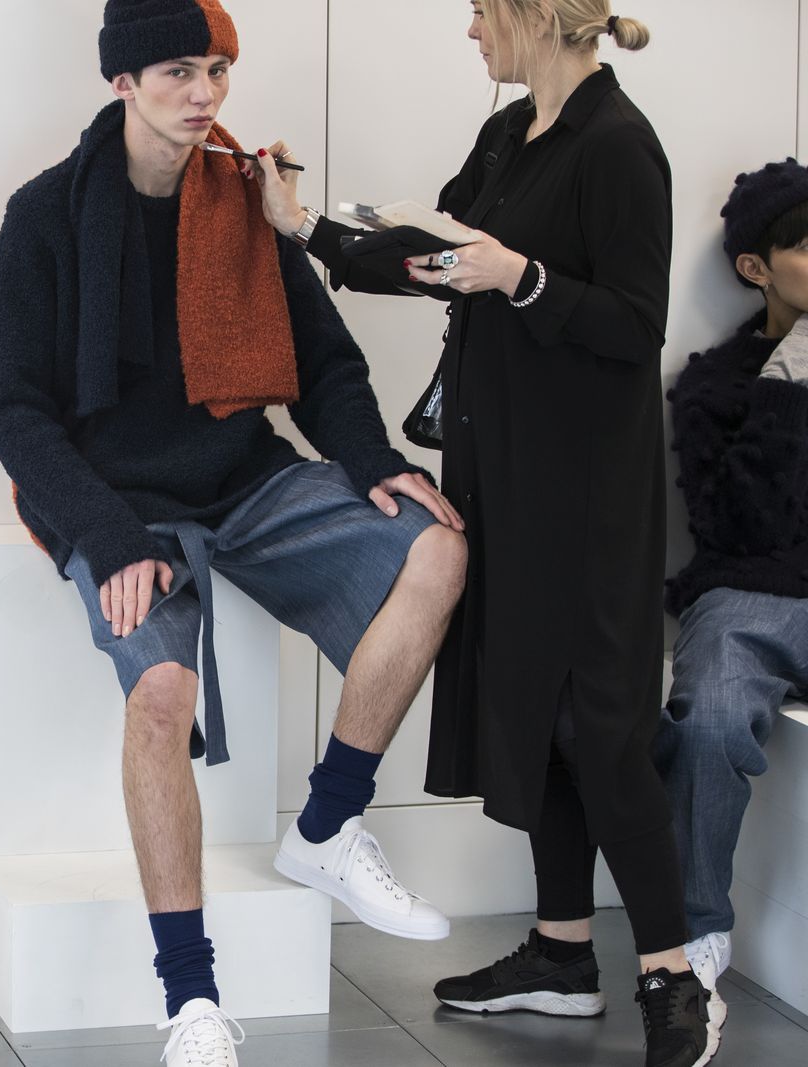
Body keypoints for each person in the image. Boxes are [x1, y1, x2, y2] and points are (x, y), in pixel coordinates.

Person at [0, 3, 468, 1062]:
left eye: (216, 69)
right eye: (177, 71)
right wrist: (106, 534)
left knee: (436, 547)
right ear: (122, 81)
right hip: (118, 502)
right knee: (162, 693)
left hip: (243, 479)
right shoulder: (45, 215)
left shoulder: (242, 201)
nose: (203, 94)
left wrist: (373, 461)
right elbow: (13, 410)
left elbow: (324, 362)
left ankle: (327, 824)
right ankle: (190, 996)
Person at [261, 2, 717, 1065]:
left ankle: (671, 973)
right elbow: (434, 257)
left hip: (588, 492)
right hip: (502, 472)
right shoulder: (510, 133)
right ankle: (562, 954)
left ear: (533, 14)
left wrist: (520, 277)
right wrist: (306, 229)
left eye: (480, 10)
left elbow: (634, 322)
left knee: (600, 728)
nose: (471, 31)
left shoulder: (618, 146)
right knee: (539, 714)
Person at [654, 158, 808, 1014]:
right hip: (750, 598)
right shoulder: (714, 383)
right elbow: (740, 521)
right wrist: (794, 372)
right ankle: (696, 936)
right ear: (757, 268)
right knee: (708, 720)